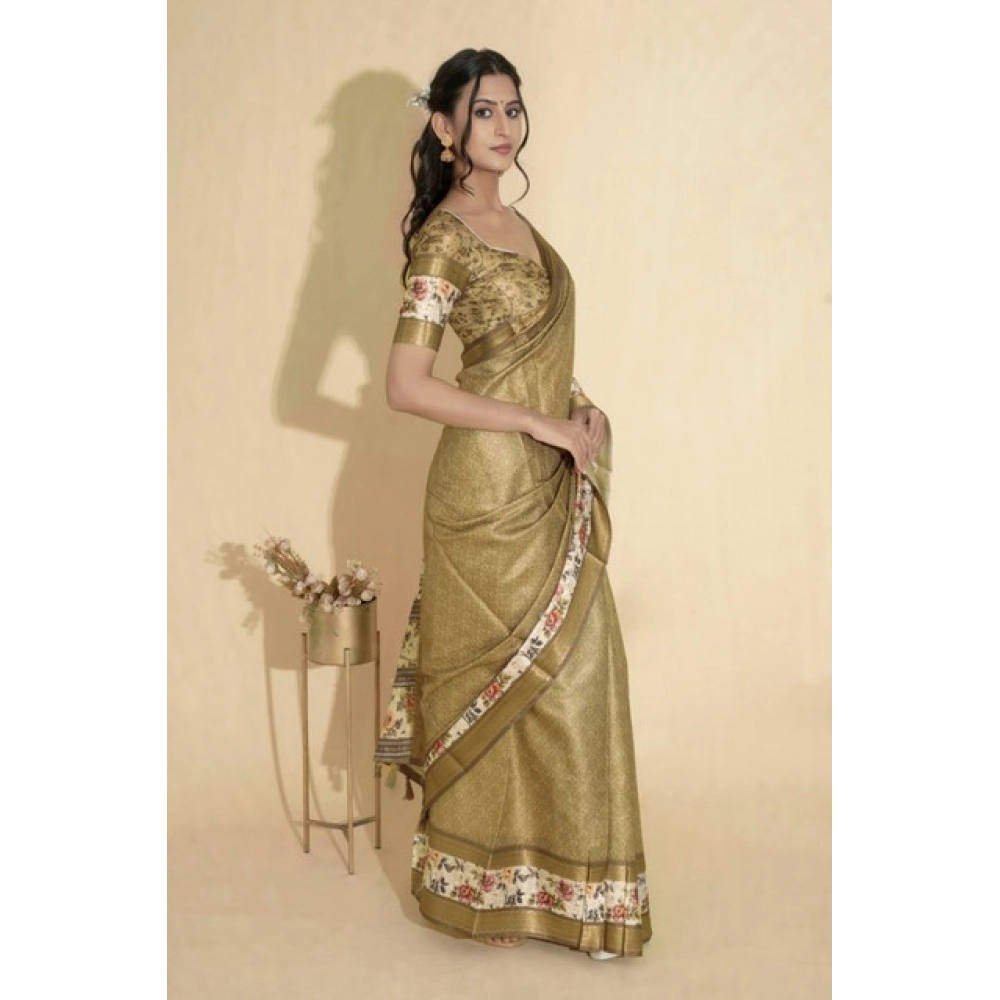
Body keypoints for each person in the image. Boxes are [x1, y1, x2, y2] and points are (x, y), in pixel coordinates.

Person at [374, 48, 652, 959]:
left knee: (577, 679)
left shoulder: (522, 224)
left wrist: (578, 408)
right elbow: (406, 385)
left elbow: (525, 361)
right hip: (484, 495)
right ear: (444, 127)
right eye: (485, 110)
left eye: (514, 109)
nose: (504, 126)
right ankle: (481, 889)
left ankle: (576, 896)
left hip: (545, 474)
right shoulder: (444, 239)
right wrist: (535, 423)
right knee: (506, 691)